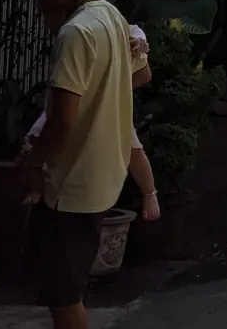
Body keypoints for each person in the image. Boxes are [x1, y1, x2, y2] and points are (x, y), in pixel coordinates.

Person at [17, 0, 134, 329]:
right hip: (101, 176)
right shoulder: (112, 18)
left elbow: (63, 118)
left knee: (64, 297)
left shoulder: (77, 32)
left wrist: (34, 162)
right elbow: (137, 76)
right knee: (62, 289)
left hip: (72, 185)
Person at [21, 24, 160, 223]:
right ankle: (36, 189)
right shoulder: (77, 35)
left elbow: (136, 35)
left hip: (108, 107)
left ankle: (150, 193)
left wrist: (139, 43)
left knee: (134, 151)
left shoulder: (116, 29)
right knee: (34, 140)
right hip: (74, 100)